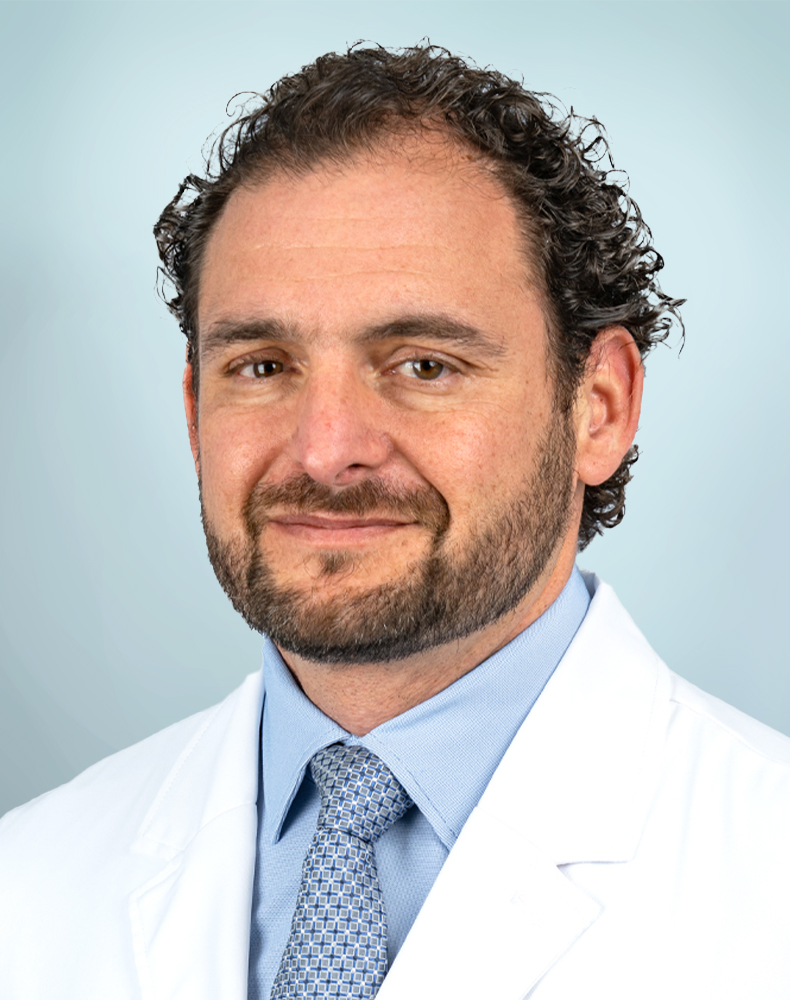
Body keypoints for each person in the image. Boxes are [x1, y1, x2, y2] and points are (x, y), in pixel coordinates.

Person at [1, 43, 789, 1000]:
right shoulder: (29, 884)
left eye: (424, 365)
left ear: (600, 409)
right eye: (262, 367)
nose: (325, 450)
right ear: (195, 412)